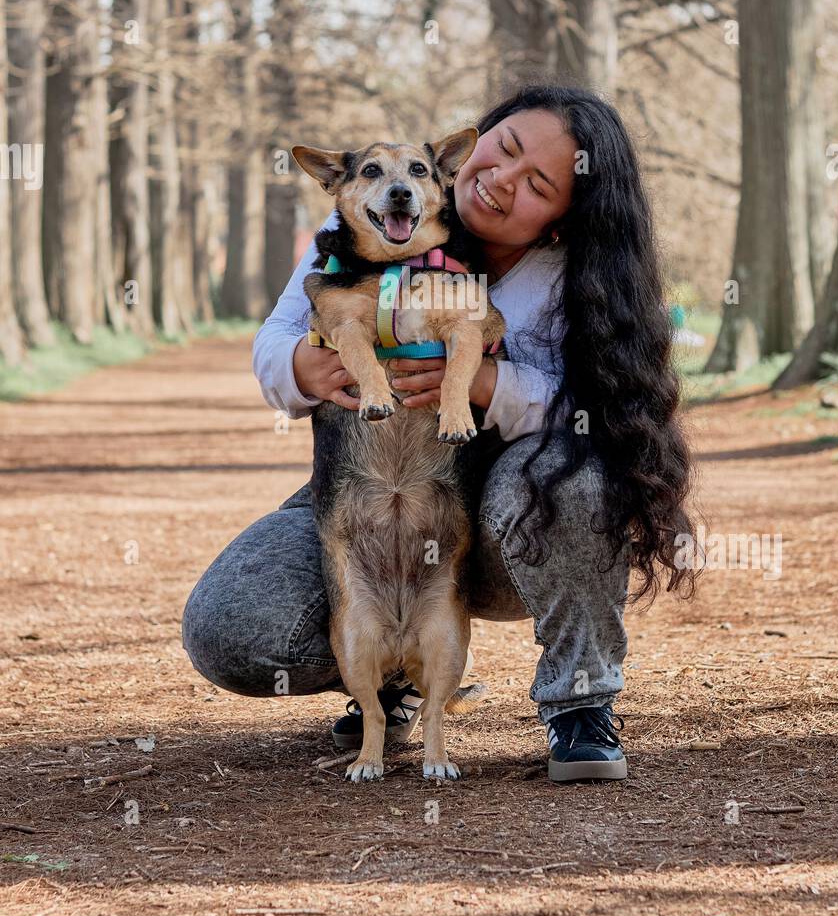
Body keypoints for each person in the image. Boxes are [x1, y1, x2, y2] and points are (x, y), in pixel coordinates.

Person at [182, 83, 696, 783]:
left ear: (563, 218)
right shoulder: (373, 216)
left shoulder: (577, 281)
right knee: (230, 626)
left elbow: (607, 416)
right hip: (366, 499)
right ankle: (393, 677)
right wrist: (303, 365)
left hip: (505, 526)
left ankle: (581, 700)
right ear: (474, 142)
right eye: (503, 149)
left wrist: (493, 387)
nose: (501, 181)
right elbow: (274, 345)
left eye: (538, 183)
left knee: (580, 475)